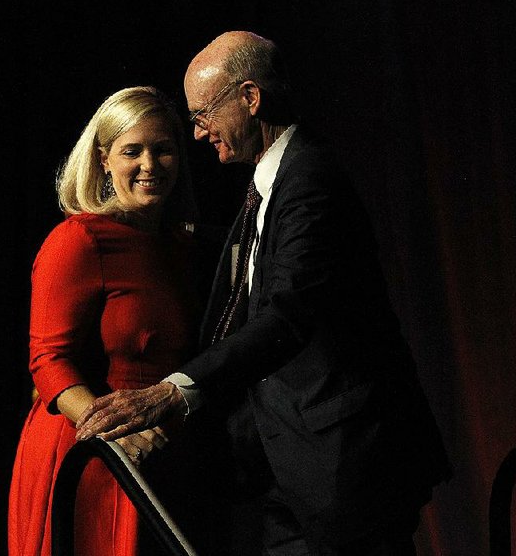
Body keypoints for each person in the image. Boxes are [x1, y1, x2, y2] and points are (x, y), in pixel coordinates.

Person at [76, 32, 451, 555]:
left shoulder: (308, 180)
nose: (199, 134)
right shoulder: (267, 184)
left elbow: (287, 315)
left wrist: (169, 392)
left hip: (348, 465)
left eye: (203, 114)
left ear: (250, 98)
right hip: (293, 469)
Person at [8, 86, 225, 555]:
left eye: (163, 150)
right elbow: (48, 361)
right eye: (133, 151)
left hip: (163, 453)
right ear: (105, 159)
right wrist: (114, 439)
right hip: (91, 456)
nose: (150, 165)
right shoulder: (78, 239)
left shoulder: (181, 248)